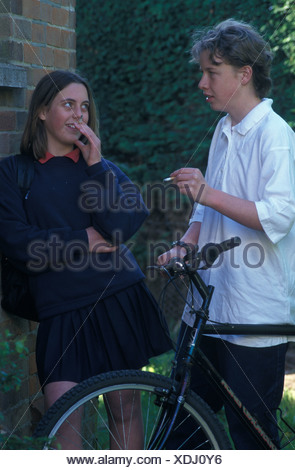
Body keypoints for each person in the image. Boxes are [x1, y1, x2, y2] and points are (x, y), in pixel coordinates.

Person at [0, 70, 172, 449]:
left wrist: (95, 165)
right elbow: (19, 244)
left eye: (85, 107)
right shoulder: (13, 173)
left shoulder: (102, 168)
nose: (79, 116)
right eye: (67, 105)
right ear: (42, 111)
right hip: (60, 312)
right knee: (64, 419)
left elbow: (120, 227)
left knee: (124, 409)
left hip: (116, 299)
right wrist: (84, 238)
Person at [158, 19, 295, 449]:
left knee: (251, 438)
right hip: (206, 308)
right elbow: (204, 206)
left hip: (252, 315)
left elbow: (279, 216)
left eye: (211, 71)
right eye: (202, 71)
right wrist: (186, 243)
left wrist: (207, 192)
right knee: (181, 425)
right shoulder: (223, 129)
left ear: (244, 73)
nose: (202, 82)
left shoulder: (275, 136)